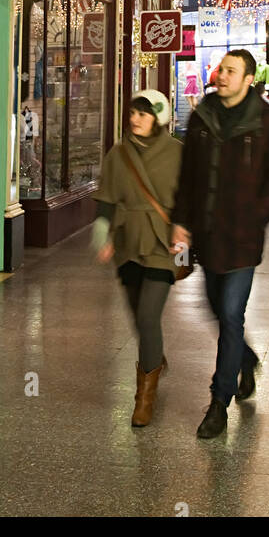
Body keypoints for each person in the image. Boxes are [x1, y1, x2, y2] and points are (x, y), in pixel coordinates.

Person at [170, 49, 269, 440]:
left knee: (231, 315)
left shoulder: (268, 120)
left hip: (242, 239)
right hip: (207, 235)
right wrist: (182, 223)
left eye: (230, 71)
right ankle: (247, 359)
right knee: (215, 310)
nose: (221, 75)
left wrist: (256, 217)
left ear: (248, 79)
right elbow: (187, 178)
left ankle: (218, 403)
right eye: (221, 69)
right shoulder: (202, 117)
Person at [92, 90, 183, 429]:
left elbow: (188, 199)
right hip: (128, 240)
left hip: (161, 243)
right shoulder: (118, 154)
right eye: (132, 112)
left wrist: (185, 233)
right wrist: (102, 234)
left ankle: (144, 399)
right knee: (137, 315)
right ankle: (153, 354)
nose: (134, 119)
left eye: (143, 114)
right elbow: (106, 197)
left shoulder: (176, 153)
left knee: (148, 316)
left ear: (158, 118)